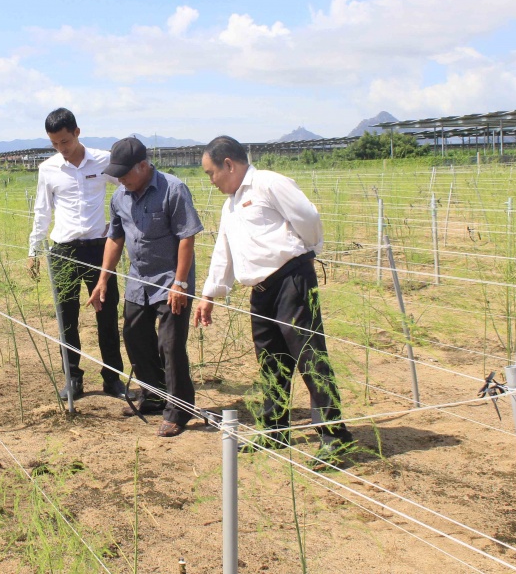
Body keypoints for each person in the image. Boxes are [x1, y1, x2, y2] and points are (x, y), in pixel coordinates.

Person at [193, 136, 354, 464]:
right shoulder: (231, 205)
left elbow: (307, 218)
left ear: (229, 164)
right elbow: (224, 251)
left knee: (310, 357)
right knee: (271, 362)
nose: (211, 181)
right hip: (262, 292)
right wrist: (209, 292)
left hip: (291, 281)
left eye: (211, 173)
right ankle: (274, 430)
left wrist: (303, 254)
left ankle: (335, 437)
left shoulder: (268, 183)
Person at [87, 137, 202, 438]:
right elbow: (115, 238)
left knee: (170, 344)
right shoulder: (119, 197)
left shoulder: (173, 190)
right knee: (134, 336)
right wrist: (103, 279)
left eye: (125, 173)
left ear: (143, 165)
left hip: (171, 280)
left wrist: (180, 282)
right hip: (138, 281)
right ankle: (152, 395)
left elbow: (187, 238)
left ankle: (179, 409)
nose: (121, 180)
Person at [28, 108, 128, 401]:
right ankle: (73, 379)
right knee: (66, 318)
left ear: (77, 133)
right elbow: (42, 211)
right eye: (55, 144)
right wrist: (34, 249)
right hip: (63, 251)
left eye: (65, 142)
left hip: (99, 248)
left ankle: (113, 379)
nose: (61, 149)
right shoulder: (48, 169)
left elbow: (125, 188)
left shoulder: (103, 160)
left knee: (107, 315)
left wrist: (122, 226)